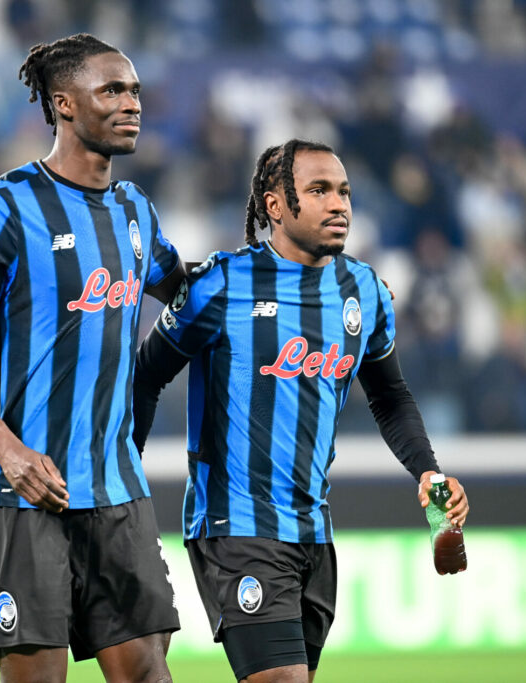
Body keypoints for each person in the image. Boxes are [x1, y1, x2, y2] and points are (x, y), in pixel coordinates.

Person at [132, 139, 469, 683]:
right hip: (236, 524)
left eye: (344, 192)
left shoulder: (364, 291)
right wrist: (124, 484)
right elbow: (144, 378)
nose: (338, 205)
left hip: (313, 531)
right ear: (275, 206)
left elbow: (390, 396)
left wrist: (428, 471)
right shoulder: (222, 284)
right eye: (319, 191)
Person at [0, 33, 184, 683]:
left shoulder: (135, 212)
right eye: (112, 90)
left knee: (148, 673)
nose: (131, 103)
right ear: (64, 103)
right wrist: (8, 451)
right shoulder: (2, 208)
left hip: (115, 486)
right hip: (24, 492)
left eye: (134, 91)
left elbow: (190, 289)